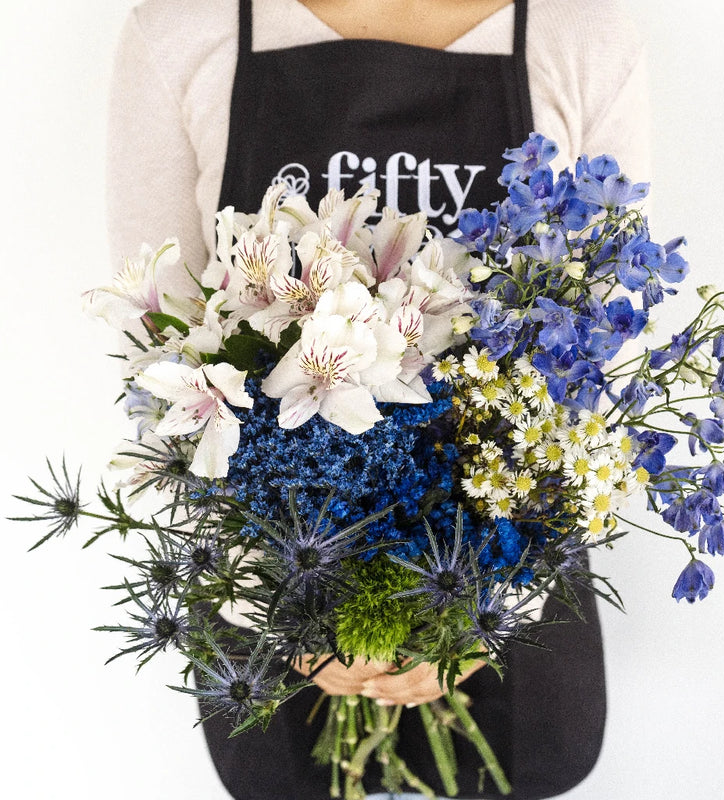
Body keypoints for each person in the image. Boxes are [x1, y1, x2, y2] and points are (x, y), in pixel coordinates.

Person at [107, 1, 650, 797]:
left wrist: (485, 610)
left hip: (510, 581)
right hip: (273, 597)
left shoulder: (581, 37)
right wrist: (281, 595)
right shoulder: (184, 32)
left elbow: (601, 352)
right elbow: (157, 351)